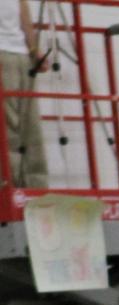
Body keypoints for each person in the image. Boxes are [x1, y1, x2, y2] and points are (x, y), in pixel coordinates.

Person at [0, 0, 48, 188]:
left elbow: (24, 13)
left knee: (16, 125)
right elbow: (24, 14)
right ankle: (31, 185)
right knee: (25, 124)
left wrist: (34, 50)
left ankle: (13, 187)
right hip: (19, 55)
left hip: (12, 55)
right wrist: (33, 49)